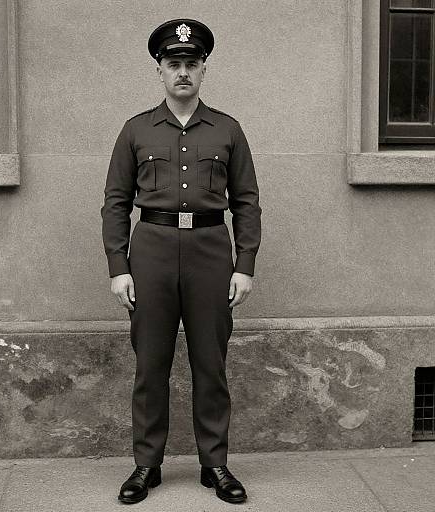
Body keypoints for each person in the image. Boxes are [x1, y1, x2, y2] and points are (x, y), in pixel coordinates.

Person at [100, 18, 261, 504]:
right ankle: (146, 466)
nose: (183, 72)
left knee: (211, 364)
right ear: (160, 70)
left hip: (211, 251)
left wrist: (245, 263)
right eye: (174, 64)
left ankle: (215, 466)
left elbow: (247, 202)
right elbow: (115, 202)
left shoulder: (228, 130)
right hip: (150, 249)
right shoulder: (136, 130)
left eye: (192, 64)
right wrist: (118, 266)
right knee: (151, 365)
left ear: (204, 69)